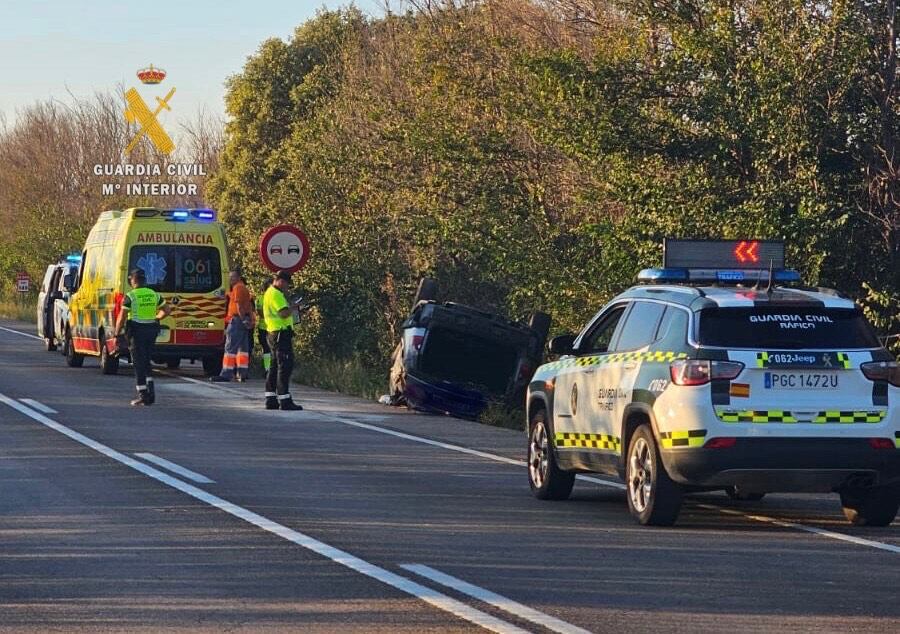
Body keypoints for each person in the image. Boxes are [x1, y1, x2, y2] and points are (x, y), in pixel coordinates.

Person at [114, 269, 170, 406]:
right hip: (151, 331)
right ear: (145, 281)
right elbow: (167, 310)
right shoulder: (154, 295)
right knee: (146, 360)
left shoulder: (131, 296)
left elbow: (122, 317)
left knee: (138, 363)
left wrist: (117, 333)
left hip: (136, 331)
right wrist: (156, 317)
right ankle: (151, 391)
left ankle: (143, 395)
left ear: (133, 280)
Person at [262, 270, 302, 411]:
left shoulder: (269, 293)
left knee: (274, 367)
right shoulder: (276, 294)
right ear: (280, 281)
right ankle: (284, 399)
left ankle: (271, 398)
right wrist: (294, 307)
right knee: (284, 366)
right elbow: (283, 313)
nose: (287, 287)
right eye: (286, 284)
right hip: (280, 335)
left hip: (273, 333)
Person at [211, 270, 253, 383]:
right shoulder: (241, 288)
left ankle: (226, 374)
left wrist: (243, 319)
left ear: (239, 277)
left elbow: (239, 306)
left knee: (230, 348)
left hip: (237, 320)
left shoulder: (238, 288)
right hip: (243, 320)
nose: (230, 279)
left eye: (232, 277)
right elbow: (234, 298)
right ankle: (242, 374)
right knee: (242, 349)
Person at [255, 280, 272, 375]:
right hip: (264, 327)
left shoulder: (274, 297)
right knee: (266, 349)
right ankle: (267, 369)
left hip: (272, 328)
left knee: (269, 350)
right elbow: (260, 312)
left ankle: (269, 369)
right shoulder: (261, 298)